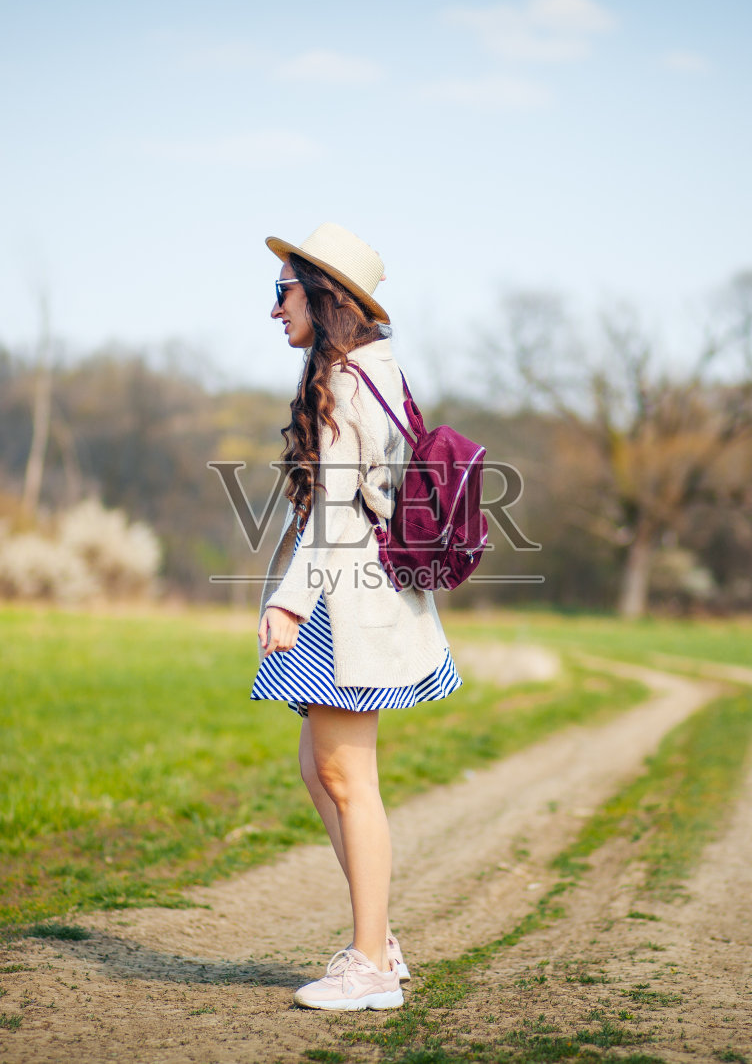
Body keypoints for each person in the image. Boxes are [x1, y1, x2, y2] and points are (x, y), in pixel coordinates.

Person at [250, 223, 462, 1011]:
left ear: (323, 295)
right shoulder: (371, 369)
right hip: (359, 591)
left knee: (346, 774)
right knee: (322, 768)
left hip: (348, 596)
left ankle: (370, 963)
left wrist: (287, 600)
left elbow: (339, 512)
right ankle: (380, 939)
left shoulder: (346, 378)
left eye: (284, 290)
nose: (274, 308)